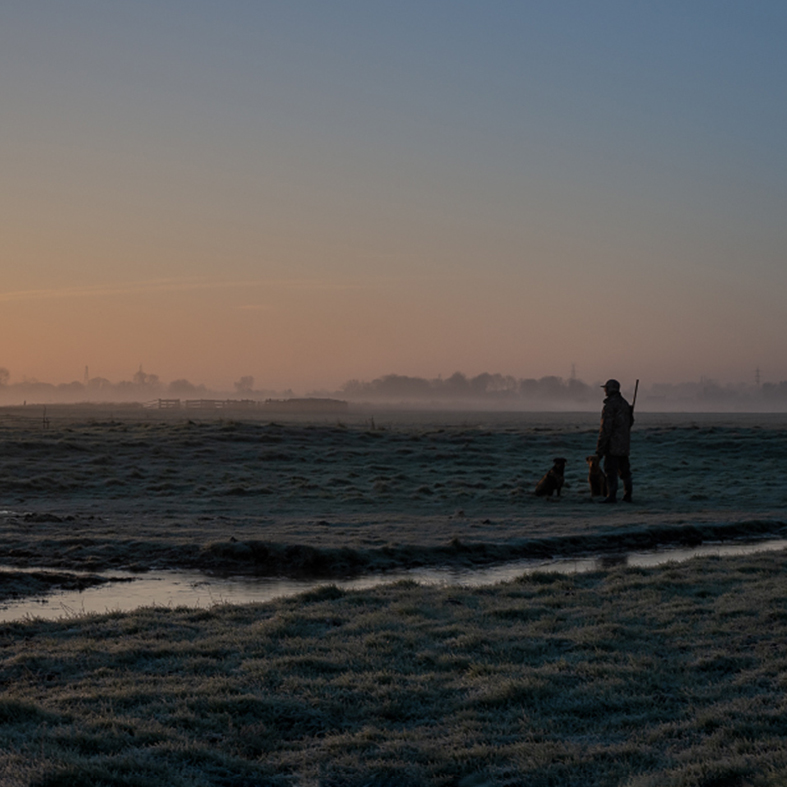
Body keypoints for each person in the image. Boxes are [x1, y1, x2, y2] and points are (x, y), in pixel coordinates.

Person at [595, 379, 633, 504]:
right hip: (624, 445)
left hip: (612, 445)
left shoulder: (610, 406)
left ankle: (611, 496)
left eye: (606, 388)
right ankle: (628, 495)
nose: (604, 390)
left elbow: (606, 428)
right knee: (625, 471)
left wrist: (600, 449)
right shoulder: (624, 404)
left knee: (610, 471)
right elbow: (629, 423)